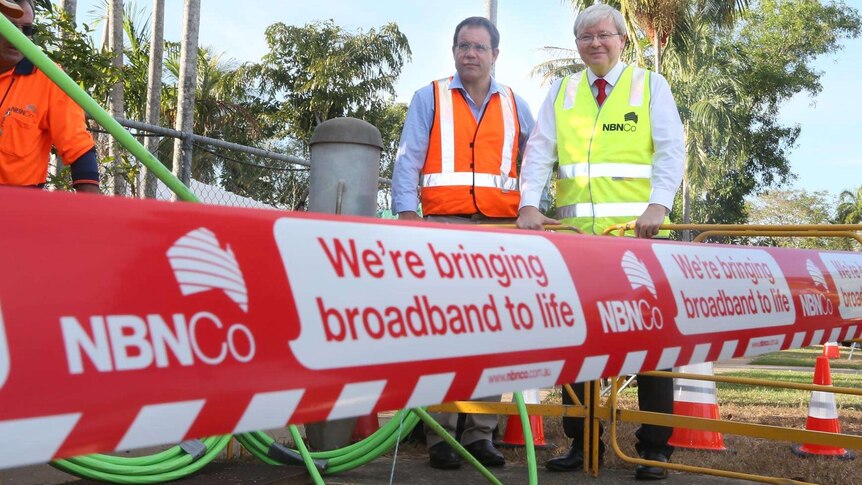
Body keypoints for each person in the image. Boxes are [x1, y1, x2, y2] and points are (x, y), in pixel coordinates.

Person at [516, 4, 684, 481]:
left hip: (639, 243)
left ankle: (654, 448)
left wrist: (659, 205)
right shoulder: (563, 90)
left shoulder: (650, 86)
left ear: (621, 40)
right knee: (579, 343)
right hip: (578, 247)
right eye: (586, 37)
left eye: (604, 35)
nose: (595, 43)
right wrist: (529, 203)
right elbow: (539, 152)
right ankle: (582, 442)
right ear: (577, 45)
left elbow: (672, 149)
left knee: (653, 348)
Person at [391, 16, 535, 470]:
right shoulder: (428, 96)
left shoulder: (515, 104)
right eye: (463, 46)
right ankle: (439, 437)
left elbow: (536, 162)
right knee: (441, 334)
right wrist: (407, 214)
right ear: (454, 52)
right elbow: (408, 157)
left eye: (479, 47)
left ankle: (479, 434)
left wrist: (533, 208)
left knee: (493, 333)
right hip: (442, 228)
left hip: (500, 232)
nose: (470, 54)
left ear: (495, 54)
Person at [0, 0, 100, 193]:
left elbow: (79, 149)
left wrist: (93, 213)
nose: (18, 37)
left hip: (19, 207)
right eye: (10, 27)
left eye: (27, 29)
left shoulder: (49, 78)